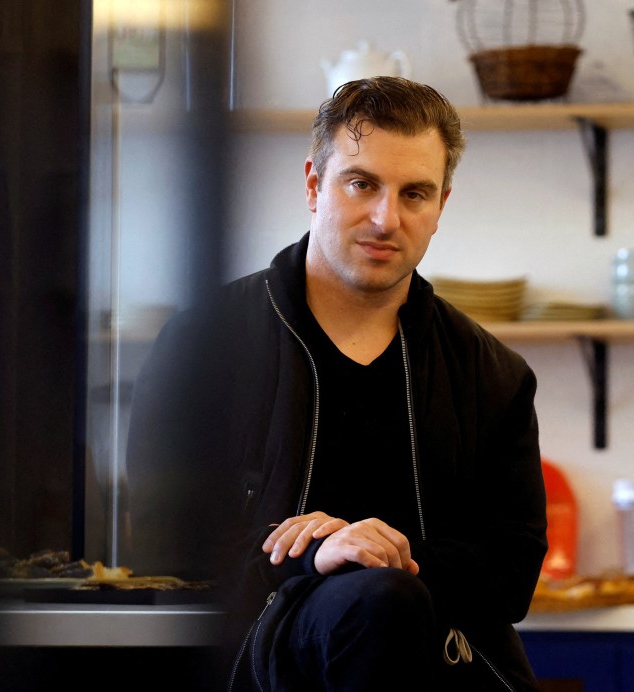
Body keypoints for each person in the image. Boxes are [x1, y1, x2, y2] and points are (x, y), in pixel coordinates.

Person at [126, 76, 548, 691]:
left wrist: (387, 552)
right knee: (377, 599)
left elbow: (512, 575)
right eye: (362, 183)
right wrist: (311, 555)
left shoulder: (493, 373)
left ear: (441, 207)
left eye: (415, 194)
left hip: (447, 665)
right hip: (251, 663)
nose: (386, 218)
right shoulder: (204, 344)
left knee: (386, 595)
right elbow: (165, 546)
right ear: (312, 184)